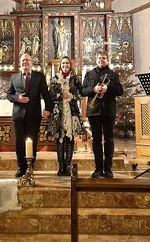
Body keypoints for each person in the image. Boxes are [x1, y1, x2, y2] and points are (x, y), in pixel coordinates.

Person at [7, 53, 53, 177]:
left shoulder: (39, 76)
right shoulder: (14, 78)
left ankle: (30, 166)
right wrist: (18, 98)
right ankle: (21, 167)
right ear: (20, 63)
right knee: (19, 142)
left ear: (32, 63)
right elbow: (9, 95)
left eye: (27, 60)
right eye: (22, 61)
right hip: (18, 115)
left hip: (34, 115)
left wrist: (48, 108)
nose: (25, 62)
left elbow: (45, 93)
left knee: (32, 141)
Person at [82, 50, 123, 178]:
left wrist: (107, 89)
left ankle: (108, 169)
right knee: (97, 141)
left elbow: (120, 90)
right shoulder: (89, 74)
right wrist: (93, 89)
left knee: (109, 140)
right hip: (94, 111)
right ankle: (98, 168)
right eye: (99, 58)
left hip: (108, 111)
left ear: (108, 60)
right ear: (96, 60)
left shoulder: (113, 75)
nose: (101, 60)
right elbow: (83, 91)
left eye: (104, 58)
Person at [47, 56, 84, 176]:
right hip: (59, 113)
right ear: (60, 65)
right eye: (63, 63)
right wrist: (60, 95)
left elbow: (81, 94)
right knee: (59, 140)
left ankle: (67, 166)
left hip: (72, 112)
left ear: (70, 65)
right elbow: (50, 96)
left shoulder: (75, 79)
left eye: (67, 63)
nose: (65, 65)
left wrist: (71, 96)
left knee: (70, 139)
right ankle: (60, 167)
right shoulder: (54, 79)